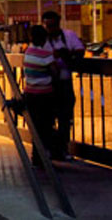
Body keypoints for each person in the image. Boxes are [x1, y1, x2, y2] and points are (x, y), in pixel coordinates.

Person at [41, 10, 84, 161]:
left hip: (64, 83)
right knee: (49, 118)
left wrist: (66, 55)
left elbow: (79, 51)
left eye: (53, 25)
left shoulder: (69, 36)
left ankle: (63, 148)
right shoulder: (43, 40)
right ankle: (52, 148)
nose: (50, 29)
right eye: (47, 26)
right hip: (49, 84)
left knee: (65, 118)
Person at [23, 25, 58, 167]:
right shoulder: (46, 55)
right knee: (46, 126)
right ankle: (44, 156)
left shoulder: (28, 52)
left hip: (30, 94)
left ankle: (36, 156)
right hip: (45, 95)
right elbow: (55, 71)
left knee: (36, 126)